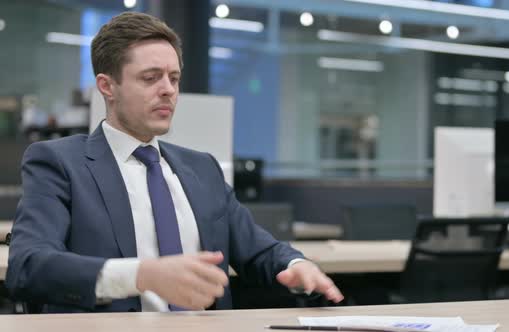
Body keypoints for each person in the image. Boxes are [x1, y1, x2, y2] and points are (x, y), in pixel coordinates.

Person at [5, 12, 343, 313]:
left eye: (174, 78)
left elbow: (258, 251)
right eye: (150, 78)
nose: (168, 90)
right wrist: (141, 274)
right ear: (107, 86)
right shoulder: (59, 163)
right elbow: (28, 266)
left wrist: (296, 264)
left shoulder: (202, 169)